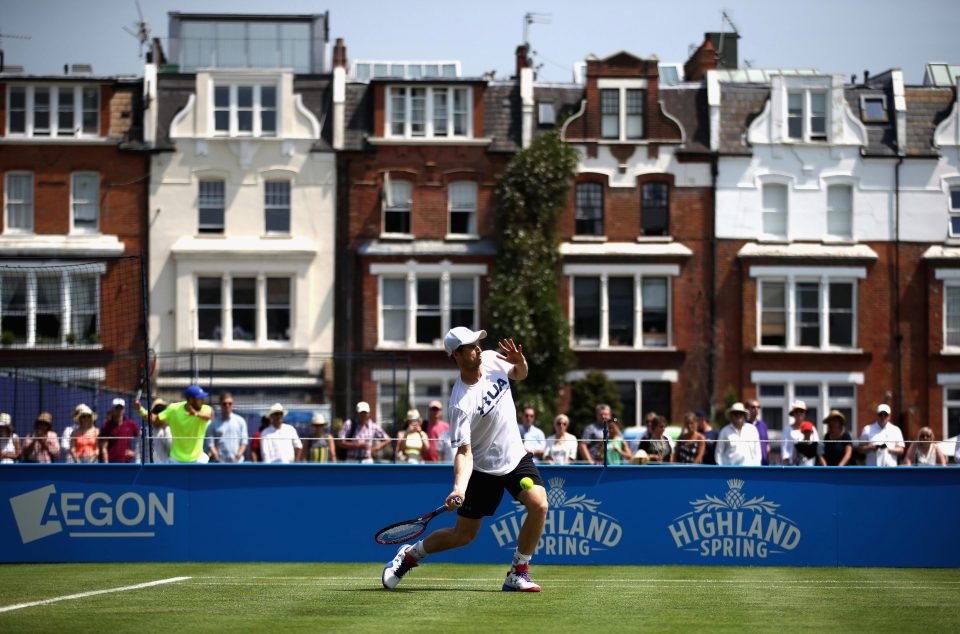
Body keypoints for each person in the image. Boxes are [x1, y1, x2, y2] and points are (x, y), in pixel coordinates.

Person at [382, 326, 548, 592]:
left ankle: (518, 572)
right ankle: (410, 555)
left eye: (477, 343)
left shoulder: (493, 359)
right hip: (482, 469)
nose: (477, 348)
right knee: (463, 536)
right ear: (457, 356)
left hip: (515, 457)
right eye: (471, 346)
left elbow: (519, 374)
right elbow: (464, 452)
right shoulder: (460, 404)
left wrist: (521, 363)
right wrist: (459, 488)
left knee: (539, 504)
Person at [136, 385, 214, 463]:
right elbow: (155, 419)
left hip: (198, 459)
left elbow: (210, 417)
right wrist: (140, 409)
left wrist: (195, 413)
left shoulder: (205, 408)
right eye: (199, 398)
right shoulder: (174, 409)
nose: (203, 400)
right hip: (176, 460)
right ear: (191, 400)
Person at [208, 392, 248, 463]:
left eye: (230, 403)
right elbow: (210, 444)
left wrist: (237, 457)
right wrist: (218, 459)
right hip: (219, 464)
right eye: (224, 403)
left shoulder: (240, 421)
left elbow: (244, 442)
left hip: (238, 463)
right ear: (220, 404)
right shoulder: (213, 424)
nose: (227, 406)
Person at [99, 398, 139, 463]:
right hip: (111, 464)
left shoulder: (130, 424)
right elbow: (104, 447)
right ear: (112, 409)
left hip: (126, 464)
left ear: (124, 410)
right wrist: (106, 465)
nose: (119, 410)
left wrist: (135, 453)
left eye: (121, 408)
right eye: (117, 408)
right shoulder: (106, 425)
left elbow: (142, 438)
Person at [781, 400, 819, 466]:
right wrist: (787, 467)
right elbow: (784, 450)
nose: (799, 414)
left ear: (805, 413)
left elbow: (817, 447)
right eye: (796, 411)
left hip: (810, 466)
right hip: (793, 467)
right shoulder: (787, 429)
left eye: (801, 411)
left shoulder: (812, 428)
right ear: (793, 414)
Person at [137, 398, 171, 463]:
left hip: (164, 468)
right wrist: (138, 465)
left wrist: (165, 431)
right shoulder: (144, 430)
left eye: (161, 412)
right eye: (156, 411)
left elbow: (170, 448)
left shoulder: (168, 430)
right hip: (147, 469)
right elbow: (139, 451)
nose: (159, 415)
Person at [747, 400, 771, 466]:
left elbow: (767, 445)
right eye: (753, 407)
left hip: (763, 463)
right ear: (748, 409)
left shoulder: (763, 425)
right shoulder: (744, 425)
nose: (756, 409)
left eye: (758, 407)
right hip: (749, 463)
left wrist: (768, 460)